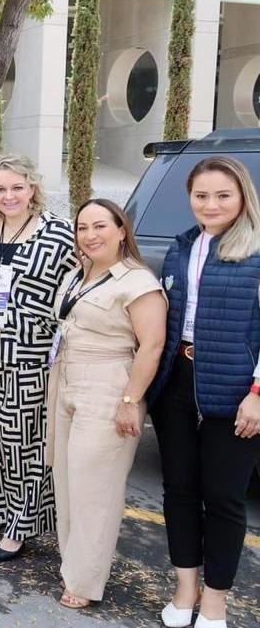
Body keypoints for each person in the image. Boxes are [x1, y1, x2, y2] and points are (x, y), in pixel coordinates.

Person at [150, 156, 260, 628]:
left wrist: (257, 393)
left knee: (224, 498)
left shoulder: (256, 249)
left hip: (236, 389)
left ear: (242, 197)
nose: (211, 204)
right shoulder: (182, 248)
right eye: (201, 195)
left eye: (222, 195)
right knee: (179, 490)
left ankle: (215, 602)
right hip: (177, 380)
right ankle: (185, 588)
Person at [0, 154, 77, 561]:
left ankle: (21, 523)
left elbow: (78, 286)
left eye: (17, 188)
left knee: (22, 440)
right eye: (0, 189)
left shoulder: (58, 234)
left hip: (28, 354)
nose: (8, 196)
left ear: (32, 189)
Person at [49, 199, 166, 610]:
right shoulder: (78, 274)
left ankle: (85, 580)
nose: (90, 235)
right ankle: (73, 565)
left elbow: (152, 346)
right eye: (82, 227)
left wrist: (130, 400)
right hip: (66, 378)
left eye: (100, 226)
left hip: (108, 384)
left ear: (121, 230)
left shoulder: (138, 282)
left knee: (95, 489)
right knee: (66, 481)